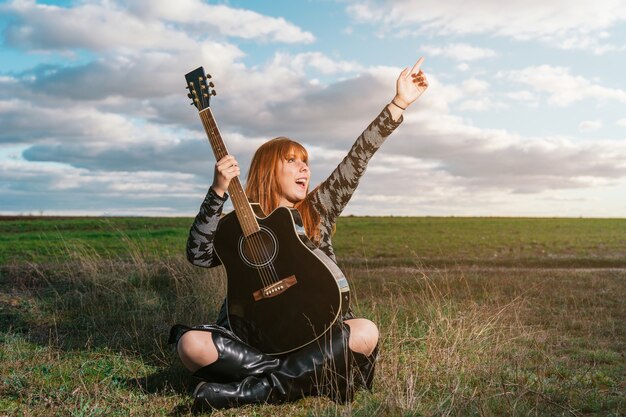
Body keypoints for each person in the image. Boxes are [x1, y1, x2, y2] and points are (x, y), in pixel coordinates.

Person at [169, 58, 429, 410]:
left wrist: (397, 104)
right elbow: (198, 254)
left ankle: (253, 389)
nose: (304, 167)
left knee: (364, 331)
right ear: (267, 169)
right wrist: (217, 193)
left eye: (305, 161)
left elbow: (358, 158)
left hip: (317, 336)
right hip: (255, 340)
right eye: (292, 160)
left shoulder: (317, 208)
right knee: (191, 345)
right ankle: (302, 377)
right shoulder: (236, 226)